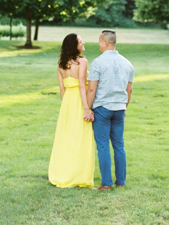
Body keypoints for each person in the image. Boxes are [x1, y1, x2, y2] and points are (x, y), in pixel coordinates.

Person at [87, 29, 135, 191]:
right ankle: (120, 182)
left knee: (103, 147)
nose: (98, 42)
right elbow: (129, 90)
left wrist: (87, 108)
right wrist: (124, 107)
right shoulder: (128, 64)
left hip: (102, 109)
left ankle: (106, 183)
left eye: (99, 40)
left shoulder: (97, 62)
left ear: (106, 43)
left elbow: (92, 89)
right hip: (119, 109)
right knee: (119, 146)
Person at [48, 32, 95, 188]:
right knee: (80, 137)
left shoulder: (61, 64)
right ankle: (78, 176)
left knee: (67, 137)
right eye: (80, 41)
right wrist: (86, 107)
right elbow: (82, 85)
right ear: (73, 46)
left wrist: (66, 106)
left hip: (67, 102)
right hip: (79, 101)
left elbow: (62, 89)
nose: (83, 43)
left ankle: (64, 172)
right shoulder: (82, 62)